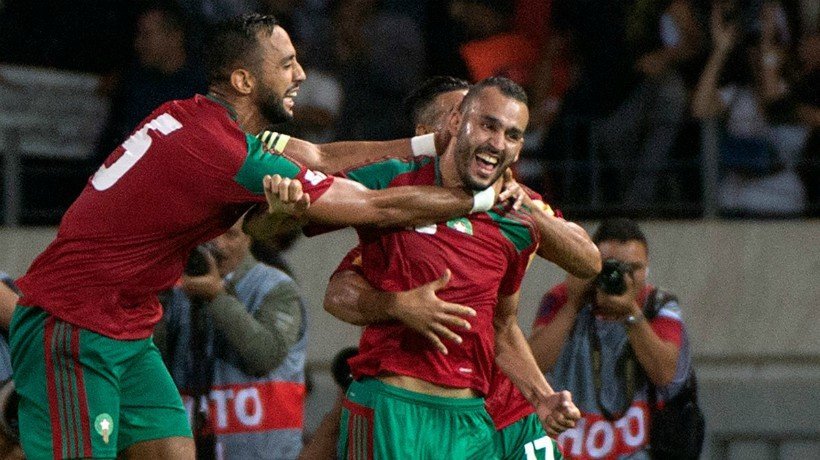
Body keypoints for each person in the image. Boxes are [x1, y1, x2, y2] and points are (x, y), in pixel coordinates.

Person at [7, 13, 507, 459]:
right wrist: (487, 198)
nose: (302, 75)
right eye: (286, 64)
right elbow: (373, 206)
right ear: (245, 79)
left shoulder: (193, 117)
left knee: (173, 452)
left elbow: (319, 158)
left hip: (126, 327)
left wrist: (425, 143)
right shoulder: (223, 151)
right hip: (72, 327)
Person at [322, 77, 600, 459]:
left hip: (479, 415)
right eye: (487, 124)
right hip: (393, 405)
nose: (497, 142)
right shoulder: (393, 186)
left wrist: (542, 396)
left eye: (512, 134)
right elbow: (321, 266)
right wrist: (396, 305)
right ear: (454, 124)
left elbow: (584, 264)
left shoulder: (514, 217)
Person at [529, 218, 693, 459]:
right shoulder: (564, 298)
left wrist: (631, 313)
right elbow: (533, 365)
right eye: (611, 267)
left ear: (646, 269)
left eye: (633, 269)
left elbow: (665, 375)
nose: (622, 277)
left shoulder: (659, 305)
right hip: (573, 447)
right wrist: (573, 305)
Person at [155, 217, 308, 459]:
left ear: (249, 236)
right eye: (210, 234)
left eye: (231, 235)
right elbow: (153, 360)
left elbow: (266, 355)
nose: (219, 245)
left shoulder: (276, 287)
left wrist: (216, 297)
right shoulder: (177, 289)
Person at [93, 1, 207, 163]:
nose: (138, 44)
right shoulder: (134, 79)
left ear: (174, 37)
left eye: (146, 35)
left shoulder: (202, 88)